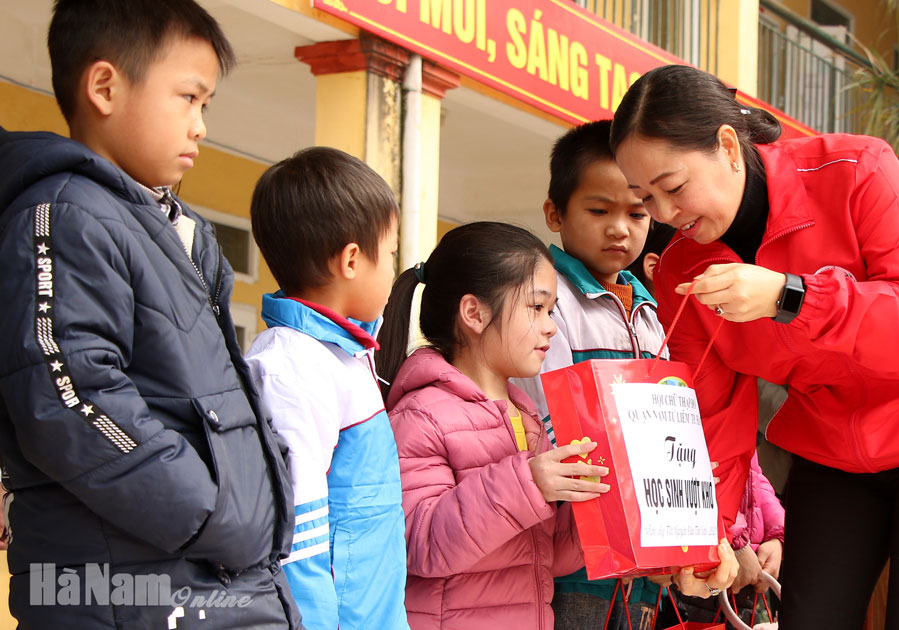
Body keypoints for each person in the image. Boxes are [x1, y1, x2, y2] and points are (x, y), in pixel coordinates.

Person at [0, 1, 301, 629]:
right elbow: (71, 399)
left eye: (206, 106)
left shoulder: (178, 232)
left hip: (207, 583)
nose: (200, 126)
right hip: (130, 594)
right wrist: (212, 510)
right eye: (188, 98)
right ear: (105, 87)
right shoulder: (66, 213)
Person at [611, 63, 899, 629]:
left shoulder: (858, 170)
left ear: (726, 146)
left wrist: (792, 298)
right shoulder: (682, 272)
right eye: (646, 198)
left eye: (673, 187)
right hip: (832, 455)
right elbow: (711, 418)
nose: (666, 215)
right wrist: (706, 537)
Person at [376, 221, 609, 629]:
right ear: (474, 313)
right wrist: (529, 484)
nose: (551, 325)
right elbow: (422, 544)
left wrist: (595, 496)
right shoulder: (421, 415)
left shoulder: (526, 418)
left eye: (551, 311)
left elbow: (546, 557)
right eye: (536, 308)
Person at [512, 120, 667, 630]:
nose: (620, 227)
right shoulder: (546, 297)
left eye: (636, 212)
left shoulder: (648, 309)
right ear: (555, 213)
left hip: (642, 554)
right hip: (577, 550)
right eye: (599, 210)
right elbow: (548, 412)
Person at [245, 147, 409, 630]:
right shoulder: (292, 365)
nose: (394, 270)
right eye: (392, 253)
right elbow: (298, 537)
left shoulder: (344, 353)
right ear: (353, 260)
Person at [630, 224, 786, 629]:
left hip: (728, 549)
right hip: (706, 547)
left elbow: (751, 469)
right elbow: (700, 458)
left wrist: (775, 534)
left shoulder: (724, 354)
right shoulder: (675, 350)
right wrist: (734, 541)